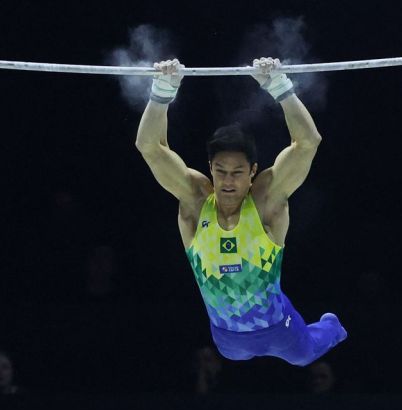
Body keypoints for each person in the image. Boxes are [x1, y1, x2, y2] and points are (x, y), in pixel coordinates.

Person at [135, 57, 347, 367]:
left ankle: (332, 327)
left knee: (305, 355)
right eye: (220, 171)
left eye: (237, 172)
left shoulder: (265, 202)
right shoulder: (196, 202)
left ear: (253, 173)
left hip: (280, 330)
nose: (228, 180)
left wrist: (280, 86)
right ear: (210, 169)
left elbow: (308, 143)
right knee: (251, 353)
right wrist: (162, 89)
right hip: (227, 341)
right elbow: (149, 146)